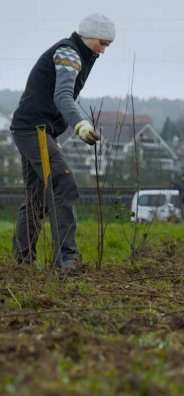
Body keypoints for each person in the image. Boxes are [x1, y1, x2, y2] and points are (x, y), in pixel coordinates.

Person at [10, 13, 115, 271]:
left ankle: (22, 264)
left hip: (34, 128)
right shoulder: (68, 54)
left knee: (37, 197)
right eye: (102, 42)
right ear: (88, 36)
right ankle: (66, 261)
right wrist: (80, 124)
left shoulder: (82, 55)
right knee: (65, 185)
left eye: (108, 45)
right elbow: (63, 96)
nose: (103, 50)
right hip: (35, 129)